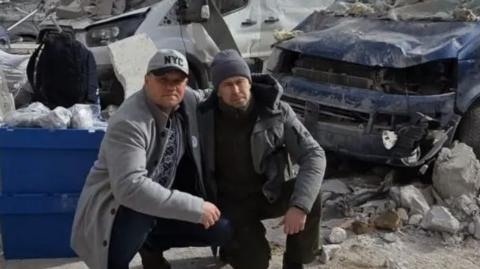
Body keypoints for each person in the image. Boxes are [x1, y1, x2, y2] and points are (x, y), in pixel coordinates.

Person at [71, 49, 231, 269]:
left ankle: (151, 246)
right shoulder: (129, 122)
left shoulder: (187, 100)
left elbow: (218, 92)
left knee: (221, 228)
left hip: (156, 203)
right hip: (115, 211)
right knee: (141, 212)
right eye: (162, 79)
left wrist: (255, 88)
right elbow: (130, 188)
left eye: (178, 80)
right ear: (147, 80)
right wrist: (195, 207)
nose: (171, 86)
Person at [198, 49, 326, 269]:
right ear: (217, 91)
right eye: (227, 85)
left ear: (249, 81)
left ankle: (296, 261)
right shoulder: (203, 117)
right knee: (255, 262)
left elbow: (313, 155)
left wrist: (299, 206)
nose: (236, 90)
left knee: (309, 195)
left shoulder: (276, 111)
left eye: (240, 81)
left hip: (270, 193)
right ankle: (234, 247)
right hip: (231, 203)